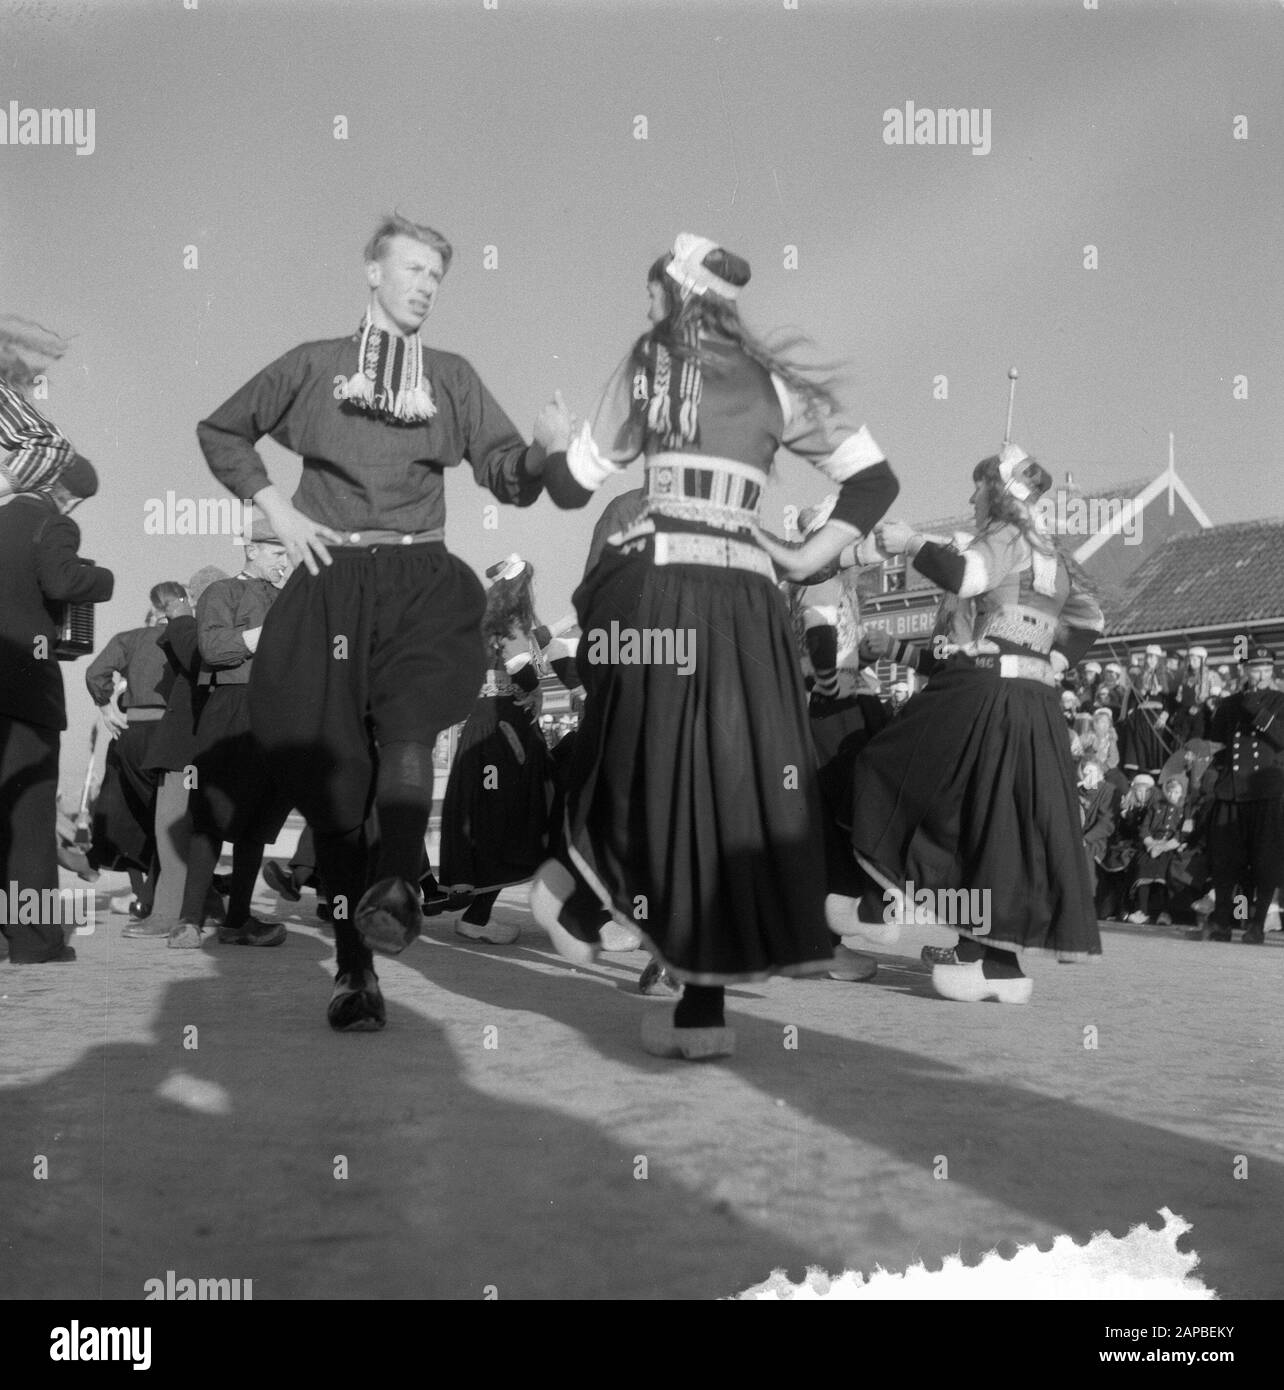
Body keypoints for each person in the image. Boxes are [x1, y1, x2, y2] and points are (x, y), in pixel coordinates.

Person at [529, 232, 899, 1059]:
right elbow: (876, 479)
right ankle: (702, 1011)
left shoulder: (651, 370)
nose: (645, 306)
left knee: (640, 768)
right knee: (729, 787)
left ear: (676, 293)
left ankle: (588, 906)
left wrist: (554, 440)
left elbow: (570, 487)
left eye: (652, 291)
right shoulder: (775, 385)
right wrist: (806, 555)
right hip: (749, 602)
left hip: (666, 596)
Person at [197, 213, 571, 1030]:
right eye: (413, 270)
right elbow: (222, 430)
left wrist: (544, 454)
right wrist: (274, 511)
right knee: (337, 789)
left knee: (409, 721)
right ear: (372, 271)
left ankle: (401, 875)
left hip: (417, 575)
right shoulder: (313, 365)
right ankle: (354, 972)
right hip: (332, 579)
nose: (426, 288)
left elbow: (506, 474)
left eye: (438, 277)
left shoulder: (452, 376)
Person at [840, 444, 1105, 1004]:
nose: (970, 498)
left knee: (887, 764)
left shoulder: (1006, 535)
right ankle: (986, 952)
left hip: (986, 692)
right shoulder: (1053, 552)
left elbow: (966, 577)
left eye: (977, 487)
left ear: (997, 492)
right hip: (1034, 702)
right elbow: (1091, 618)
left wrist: (912, 543)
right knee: (998, 822)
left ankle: (880, 903)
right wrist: (1052, 659)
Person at [0, 458, 114, 963]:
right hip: (25, 691)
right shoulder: (54, 521)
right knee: (28, 821)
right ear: (70, 495)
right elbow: (63, 582)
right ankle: (34, 941)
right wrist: (103, 579)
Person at [166, 520, 294, 949]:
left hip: (279, 712)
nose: (284, 561)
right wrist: (272, 630)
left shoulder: (289, 598)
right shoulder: (222, 592)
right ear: (253, 550)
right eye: (277, 553)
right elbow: (215, 649)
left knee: (257, 821)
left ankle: (238, 920)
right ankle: (189, 920)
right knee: (211, 817)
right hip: (231, 707)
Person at [438, 557, 578, 945]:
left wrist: (569, 619)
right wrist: (534, 690)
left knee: (494, 816)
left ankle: (478, 909)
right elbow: (521, 662)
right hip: (506, 732)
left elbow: (535, 640)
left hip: (488, 726)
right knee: (516, 816)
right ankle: (481, 916)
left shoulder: (489, 621)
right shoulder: (511, 622)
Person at [84, 583, 184, 918]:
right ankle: (164, 899)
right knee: (169, 818)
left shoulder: (130, 638)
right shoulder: (185, 637)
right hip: (169, 734)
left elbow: (95, 672)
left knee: (131, 817)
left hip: (130, 736)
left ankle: (144, 896)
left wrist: (106, 707)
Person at [1205, 646, 1284, 944]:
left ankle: (1255, 924)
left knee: (1265, 861)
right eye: (1254, 669)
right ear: (1246, 671)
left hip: (1265, 791)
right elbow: (1217, 746)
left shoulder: (1280, 701)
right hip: (1231, 791)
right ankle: (1224, 921)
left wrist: (1258, 713)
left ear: (1272, 671)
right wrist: (1211, 778)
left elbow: (1282, 739)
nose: (1260, 675)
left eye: (1265, 670)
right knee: (1226, 860)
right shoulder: (1229, 704)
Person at [1127, 775, 1188, 924]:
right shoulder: (1156, 806)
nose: (1173, 795)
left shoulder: (1185, 810)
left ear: (1182, 793)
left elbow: (1183, 833)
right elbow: (1144, 829)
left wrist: (1163, 847)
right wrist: (1151, 844)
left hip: (1170, 846)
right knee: (1143, 866)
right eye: (1170, 792)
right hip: (1151, 845)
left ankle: (1164, 912)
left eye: (1176, 792)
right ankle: (1142, 911)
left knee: (1163, 871)